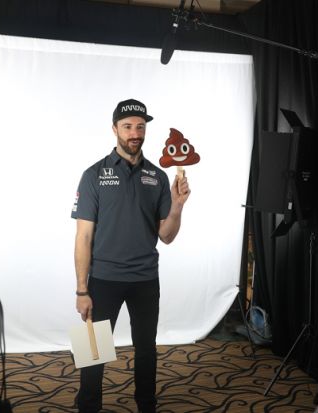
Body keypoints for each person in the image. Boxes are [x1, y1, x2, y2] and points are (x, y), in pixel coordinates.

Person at [71, 98, 191, 413]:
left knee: (146, 350)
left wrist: (177, 205)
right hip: (103, 280)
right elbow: (83, 237)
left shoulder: (158, 176)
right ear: (115, 129)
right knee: (94, 350)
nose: (134, 133)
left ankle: (146, 405)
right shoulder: (93, 174)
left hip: (145, 280)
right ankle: (88, 406)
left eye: (140, 126)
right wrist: (82, 289)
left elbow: (166, 236)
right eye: (127, 127)